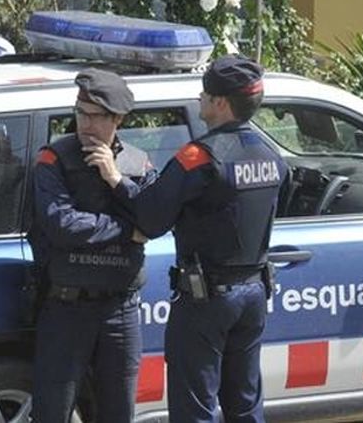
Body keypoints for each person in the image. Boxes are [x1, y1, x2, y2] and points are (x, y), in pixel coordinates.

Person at [110, 56, 289, 423]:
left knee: (195, 406)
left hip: (207, 299)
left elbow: (151, 218)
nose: (199, 98)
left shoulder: (199, 157)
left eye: (205, 93)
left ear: (220, 103)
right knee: (245, 402)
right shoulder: (273, 157)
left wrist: (116, 179)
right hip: (254, 293)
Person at [28, 68, 155, 423]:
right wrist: (126, 231)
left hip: (120, 310)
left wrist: (115, 179)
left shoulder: (136, 163)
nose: (85, 124)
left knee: (118, 414)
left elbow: (155, 220)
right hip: (68, 308)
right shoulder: (55, 158)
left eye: (95, 116)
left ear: (117, 118)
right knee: (53, 412)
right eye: (80, 113)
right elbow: (62, 225)